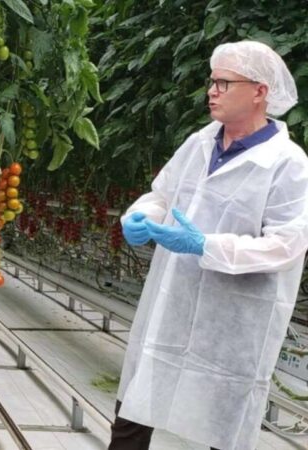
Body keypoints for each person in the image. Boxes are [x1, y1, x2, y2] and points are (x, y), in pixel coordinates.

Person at [114, 40, 307, 450]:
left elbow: (286, 245)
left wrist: (206, 245)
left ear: (260, 92)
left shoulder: (288, 163)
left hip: (234, 320)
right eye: (212, 80)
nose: (212, 90)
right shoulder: (200, 142)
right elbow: (162, 194)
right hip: (171, 303)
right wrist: (141, 215)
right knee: (133, 412)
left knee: (224, 422)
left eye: (224, 82)